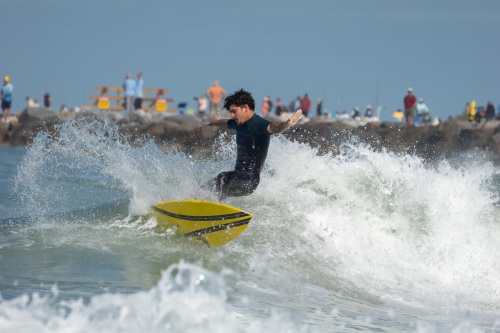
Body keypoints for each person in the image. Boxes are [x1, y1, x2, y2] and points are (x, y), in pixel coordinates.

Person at [207, 89, 303, 200]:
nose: (232, 115)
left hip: (249, 180)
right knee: (219, 179)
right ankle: (197, 201)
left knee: (222, 185)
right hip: (237, 175)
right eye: (230, 112)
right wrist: (214, 122)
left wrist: (286, 124)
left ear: (246, 108)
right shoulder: (238, 123)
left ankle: (215, 209)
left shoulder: (259, 124)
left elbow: (273, 127)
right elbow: (225, 123)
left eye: (234, 111)